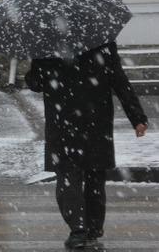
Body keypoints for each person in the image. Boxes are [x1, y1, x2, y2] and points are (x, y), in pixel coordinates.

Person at [25, 42, 148, 250]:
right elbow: (119, 80)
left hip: (62, 122)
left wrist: (33, 65)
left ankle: (78, 229)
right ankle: (92, 227)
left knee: (68, 178)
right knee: (94, 177)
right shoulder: (102, 41)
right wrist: (137, 117)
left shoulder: (46, 43)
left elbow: (36, 83)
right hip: (95, 121)